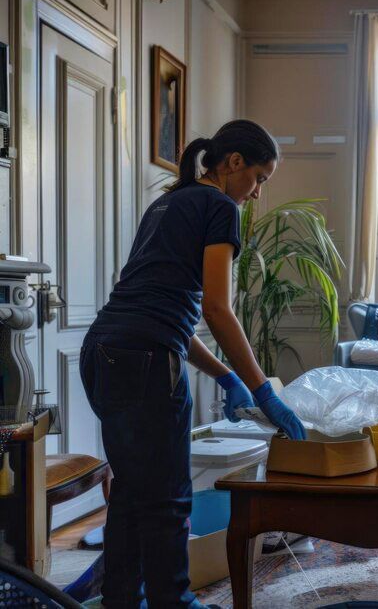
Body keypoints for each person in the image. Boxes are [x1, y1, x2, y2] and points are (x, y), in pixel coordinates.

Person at [79, 119, 305, 608]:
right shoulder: (219, 205)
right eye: (259, 179)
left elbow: (168, 318)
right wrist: (263, 388)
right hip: (143, 360)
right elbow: (217, 310)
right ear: (233, 163)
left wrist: (225, 374)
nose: (257, 193)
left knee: (133, 495)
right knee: (167, 500)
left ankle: (122, 600)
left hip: (103, 351)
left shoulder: (167, 201)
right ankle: (173, 602)